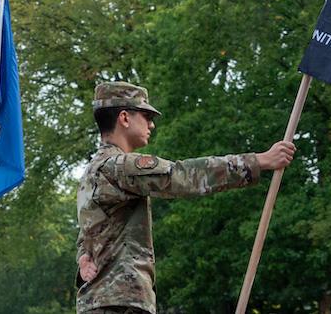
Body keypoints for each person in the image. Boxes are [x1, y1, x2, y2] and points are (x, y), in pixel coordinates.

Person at [75, 82, 296, 314]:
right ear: (124, 118)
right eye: (145, 115)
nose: (151, 124)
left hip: (102, 301)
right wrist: (258, 161)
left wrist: (83, 257)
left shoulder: (91, 173)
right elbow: (182, 176)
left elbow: (89, 231)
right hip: (120, 302)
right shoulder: (119, 167)